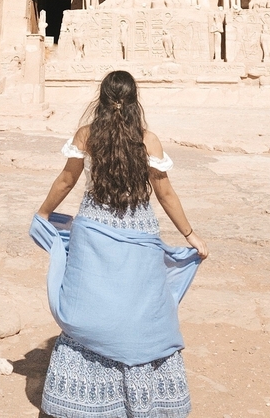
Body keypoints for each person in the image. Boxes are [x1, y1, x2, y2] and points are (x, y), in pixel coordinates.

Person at [31, 70, 208, 418]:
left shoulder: (86, 136)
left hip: (93, 231)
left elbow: (67, 179)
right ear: (133, 100)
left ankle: (86, 402)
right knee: (139, 311)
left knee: (91, 306)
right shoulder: (148, 141)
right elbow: (165, 192)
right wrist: (190, 234)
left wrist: (43, 212)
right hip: (139, 234)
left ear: (102, 98)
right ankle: (142, 400)